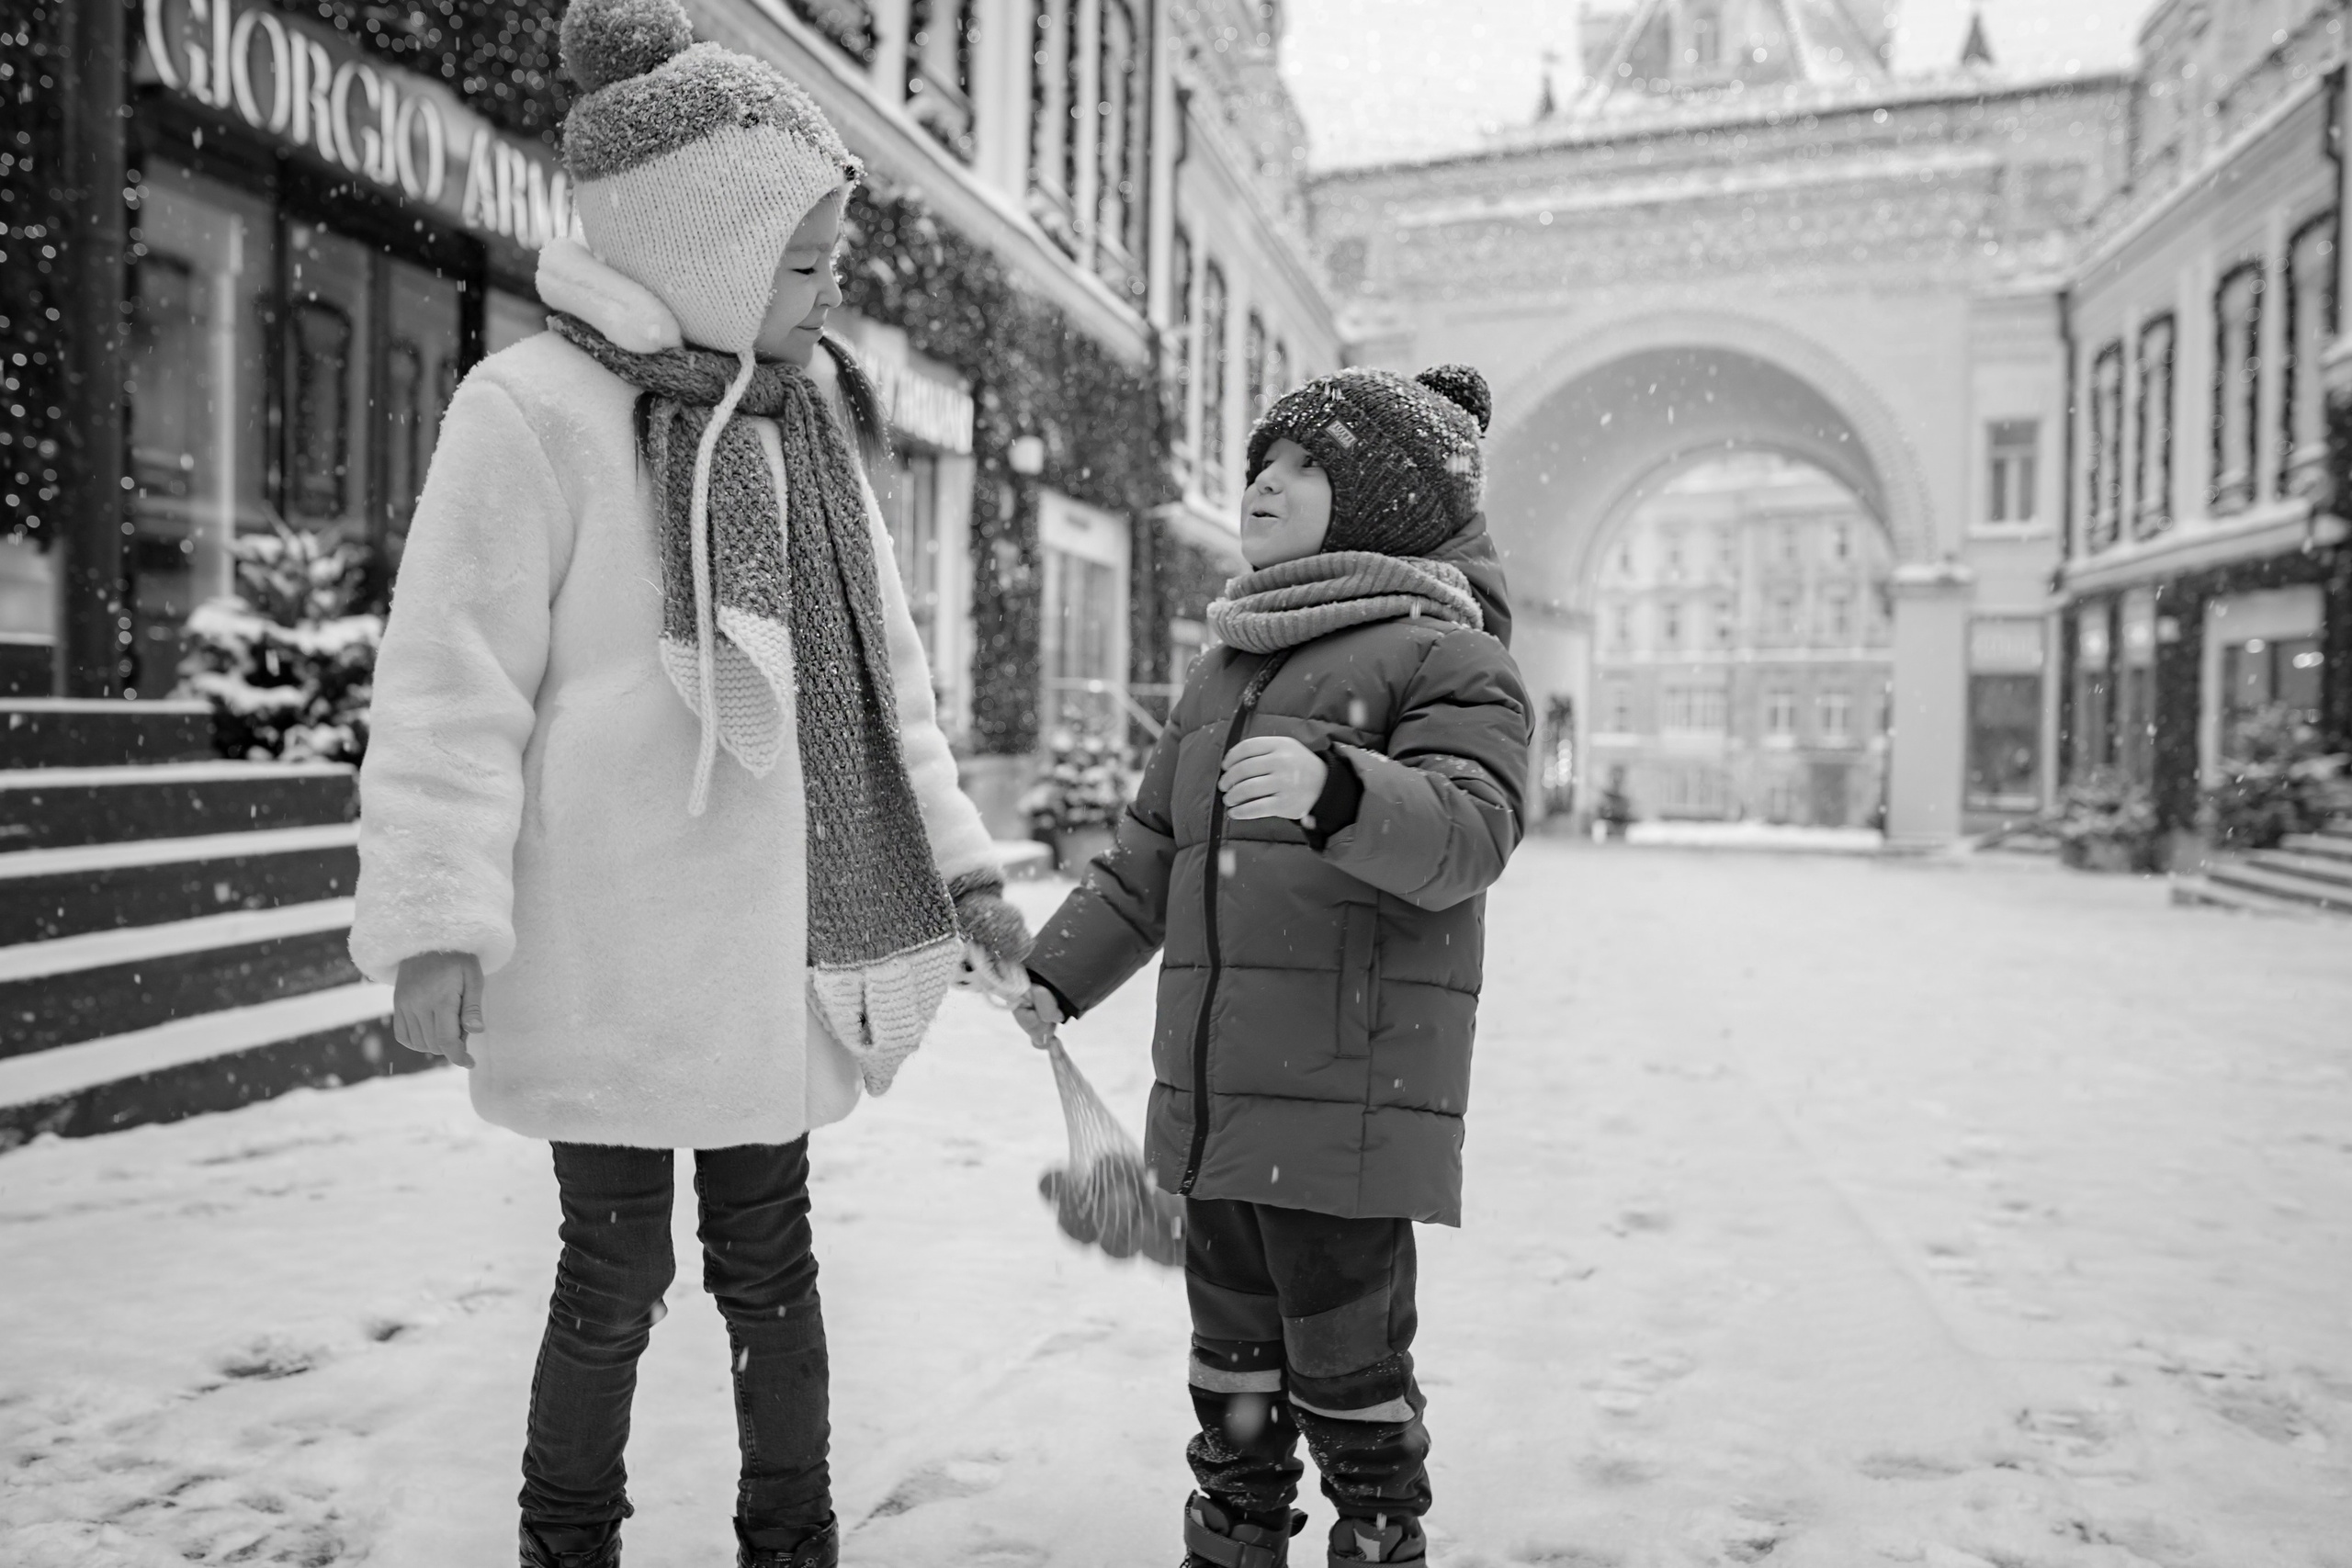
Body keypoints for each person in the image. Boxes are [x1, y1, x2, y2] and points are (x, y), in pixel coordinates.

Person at [345, 2, 1028, 1563]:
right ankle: (566, 1539)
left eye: (832, 255)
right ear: (701, 251)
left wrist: (968, 877)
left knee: (772, 1270)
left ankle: (791, 1539)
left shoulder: (816, 428)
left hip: (762, 960)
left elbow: (887, 688)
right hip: (603, 947)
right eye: (801, 259)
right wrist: (436, 918)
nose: (830, 288)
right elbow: (451, 685)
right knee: (610, 1279)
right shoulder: (530, 414)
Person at [1014, 366, 1532, 1566]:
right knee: (1230, 1361)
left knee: (1351, 1369)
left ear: (1382, 507)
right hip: (1214, 1106)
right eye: (1265, 460)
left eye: (1308, 465)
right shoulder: (1229, 668)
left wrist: (1340, 789)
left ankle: (1379, 1530)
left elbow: (1470, 832)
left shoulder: (1445, 657)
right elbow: (1151, 853)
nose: (1268, 481)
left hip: (1344, 1109)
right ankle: (1237, 1528)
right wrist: (1061, 975)